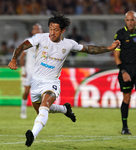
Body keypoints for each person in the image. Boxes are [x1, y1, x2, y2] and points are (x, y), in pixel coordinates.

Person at [8, 11, 120, 147]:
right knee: (42, 110)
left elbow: (89, 49)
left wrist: (109, 48)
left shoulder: (69, 44)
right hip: (36, 81)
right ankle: (65, 110)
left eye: (55, 30)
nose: (52, 33)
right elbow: (22, 46)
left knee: (44, 108)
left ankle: (32, 135)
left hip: (51, 82)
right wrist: (14, 59)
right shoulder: (40, 38)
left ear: (63, 30)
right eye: (50, 29)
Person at [113, 10, 136, 135]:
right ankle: (125, 128)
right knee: (126, 98)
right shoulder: (120, 34)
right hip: (126, 70)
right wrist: (123, 71)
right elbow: (116, 56)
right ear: (125, 21)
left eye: (132, 19)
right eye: (128, 20)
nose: (130, 22)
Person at [20, 23, 43, 119]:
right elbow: (22, 57)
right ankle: (23, 109)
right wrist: (23, 70)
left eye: (39, 29)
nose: (37, 30)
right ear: (32, 31)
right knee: (26, 91)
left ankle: (41, 113)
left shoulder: (45, 42)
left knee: (42, 92)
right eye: (35, 29)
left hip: (40, 72)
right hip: (29, 70)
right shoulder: (28, 41)